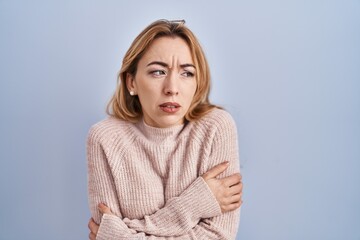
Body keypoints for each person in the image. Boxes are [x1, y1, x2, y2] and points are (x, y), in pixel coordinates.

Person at [87, 19, 243, 239]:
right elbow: (105, 226)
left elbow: (218, 236)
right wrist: (196, 203)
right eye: (158, 72)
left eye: (187, 73)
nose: (172, 89)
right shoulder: (105, 138)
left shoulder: (216, 127)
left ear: (198, 83)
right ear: (131, 82)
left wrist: (121, 235)